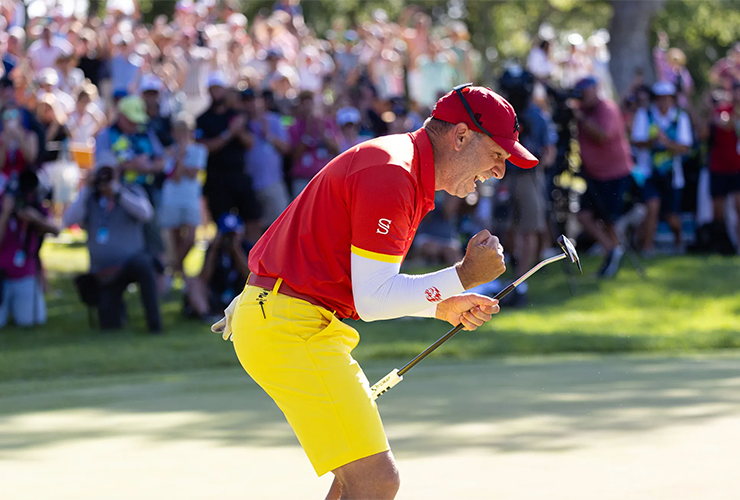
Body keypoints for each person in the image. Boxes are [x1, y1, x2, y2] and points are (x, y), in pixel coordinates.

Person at [212, 85, 538, 499]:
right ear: (459, 137)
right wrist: (464, 275)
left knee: (355, 479)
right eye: (497, 155)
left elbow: (367, 284)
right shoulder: (394, 173)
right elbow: (373, 300)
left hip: (289, 320)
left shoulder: (401, 166)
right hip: (290, 328)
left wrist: (442, 307)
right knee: (377, 480)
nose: (499, 172)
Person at [62, 153, 162, 333]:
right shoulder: (90, 199)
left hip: (129, 264)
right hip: (103, 271)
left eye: (110, 172)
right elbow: (68, 220)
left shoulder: (131, 191)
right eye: (102, 173)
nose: (105, 178)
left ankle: (154, 323)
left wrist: (118, 193)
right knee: (110, 324)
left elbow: (146, 214)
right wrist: (86, 188)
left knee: (145, 265)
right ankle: (117, 310)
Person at [571, 76, 634, 277]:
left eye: (585, 92)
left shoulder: (606, 108)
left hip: (614, 174)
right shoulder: (584, 111)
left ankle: (613, 253)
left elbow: (602, 134)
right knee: (583, 215)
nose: (582, 97)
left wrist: (579, 117)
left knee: (609, 220)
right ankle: (612, 250)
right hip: (593, 175)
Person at [195, 71, 262, 243]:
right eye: (213, 89)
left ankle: (251, 264)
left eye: (219, 88)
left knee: (253, 221)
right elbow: (205, 147)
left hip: (239, 176)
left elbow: (250, 142)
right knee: (222, 227)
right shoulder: (202, 119)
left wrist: (238, 131)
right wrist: (229, 133)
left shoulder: (236, 115)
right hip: (217, 180)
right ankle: (225, 263)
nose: (216, 93)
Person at [631, 81, 692, 254]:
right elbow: (636, 141)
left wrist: (666, 143)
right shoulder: (645, 114)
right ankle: (647, 248)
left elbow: (685, 147)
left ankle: (678, 242)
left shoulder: (680, 117)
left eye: (667, 98)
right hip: (648, 173)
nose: (663, 102)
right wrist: (653, 141)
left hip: (673, 175)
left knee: (671, 217)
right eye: (659, 98)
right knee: (653, 206)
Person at [0, 170, 59, 328]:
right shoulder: (3, 205)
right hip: (1, 276)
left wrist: (36, 219)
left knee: (31, 321)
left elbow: (56, 230)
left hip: (24, 274)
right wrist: (6, 212)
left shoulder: (33, 206)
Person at [159, 113, 206, 281]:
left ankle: (173, 269)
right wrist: (179, 157)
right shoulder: (169, 152)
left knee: (191, 239)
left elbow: (193, 173)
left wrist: (180, 158)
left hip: (191, 198)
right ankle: (180, 274)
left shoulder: (200, 150)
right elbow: (176, 175)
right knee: (176, 238)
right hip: (172, 198)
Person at [242, 88, 291, 228]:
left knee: (281, 227)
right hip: (251, 186)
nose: (251, 105)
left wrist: (268, 135)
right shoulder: (241, 124)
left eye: (254, 100)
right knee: (255, 230)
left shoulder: (274, 120)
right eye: (247, 102)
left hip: (273, 183)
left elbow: (286, 148)